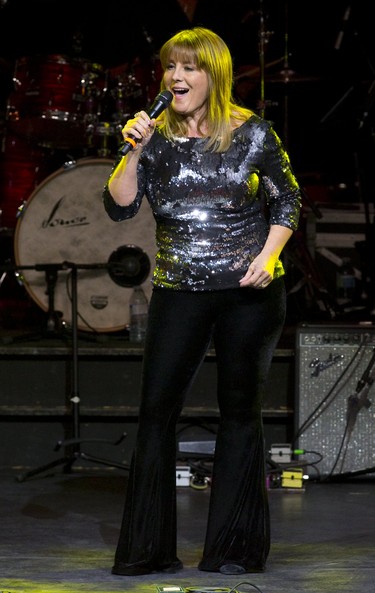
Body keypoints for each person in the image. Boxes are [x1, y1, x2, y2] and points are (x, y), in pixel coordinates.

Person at [102, 26, 302, 577]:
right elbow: (119, 208)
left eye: (189, 67)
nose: (176, 77)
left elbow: (288, 198)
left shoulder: (252, 132)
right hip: (178, 289)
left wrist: (269, 253)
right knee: (156, 413)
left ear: (213, 74)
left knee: (240, 413)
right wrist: (134, 153)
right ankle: (148, 549)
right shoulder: (155, 138)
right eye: (170, 67)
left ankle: (232, 550)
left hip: (249, 293)